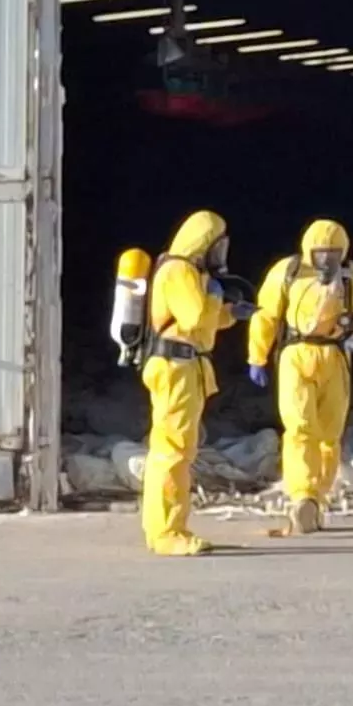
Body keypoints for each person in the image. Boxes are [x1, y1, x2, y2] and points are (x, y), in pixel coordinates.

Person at [246, 219, 353, 535]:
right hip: (295, 355)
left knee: (329, 433)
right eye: (320, 253)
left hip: (335, 357)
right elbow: (266, 315)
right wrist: (257, 356)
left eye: (333, 253)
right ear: (308, 250)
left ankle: (317, 501)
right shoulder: (288, 272)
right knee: (299, 426)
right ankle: (302, 494)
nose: (326, 260)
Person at [140, 210, 251, 556]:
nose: (221, 255)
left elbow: (202, 322)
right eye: (218, 246)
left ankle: (167, 526)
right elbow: (195, 316)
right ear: (205, 244)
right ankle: (167, 532)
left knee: (179, 449)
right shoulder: (179, 270)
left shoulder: (190, 274)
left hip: (184, 364)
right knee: (172, 450)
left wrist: (231, 315)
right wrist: (217, 295)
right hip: (176, 365)